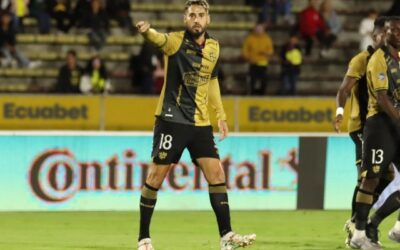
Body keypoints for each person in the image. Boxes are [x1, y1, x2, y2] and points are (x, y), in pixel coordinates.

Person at [135, 1, 256, 249]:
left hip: (201, 124)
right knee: (156, 176)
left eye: (201, 15)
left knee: (217, 174)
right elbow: (158, 39)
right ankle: (144, 239)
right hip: (171, 120)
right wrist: (147, 31)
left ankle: (226, 236)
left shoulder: (214, 47)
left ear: (208, 19)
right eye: (192, 15)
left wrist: (220, 115)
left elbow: (212, 81)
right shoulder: (175, 41)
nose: (196, 19)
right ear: (185, 19)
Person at [333, 16, 398, 248]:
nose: (385, 37)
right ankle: (357, 225)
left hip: (390, 124)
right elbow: (344, 89)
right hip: (364, 125)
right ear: (376, 35)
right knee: (369, 177)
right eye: (382, 33)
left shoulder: (396, 59)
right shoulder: (364, 60)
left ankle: (367, 221)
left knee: (386, 176)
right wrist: (340, 110)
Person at [242, 23, 274, 95]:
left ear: (263, 30)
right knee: (252, 80)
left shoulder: (267, 38)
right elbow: (245, 50)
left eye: (260, 29)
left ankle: (262, 94)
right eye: (257, 29)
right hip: (253, 63)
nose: (258, 31)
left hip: (263, 63)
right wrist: (248, 58)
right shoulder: (250, 38)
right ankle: (252, 94)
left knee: (264, 80)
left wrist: (265, 52)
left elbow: (271, 51)